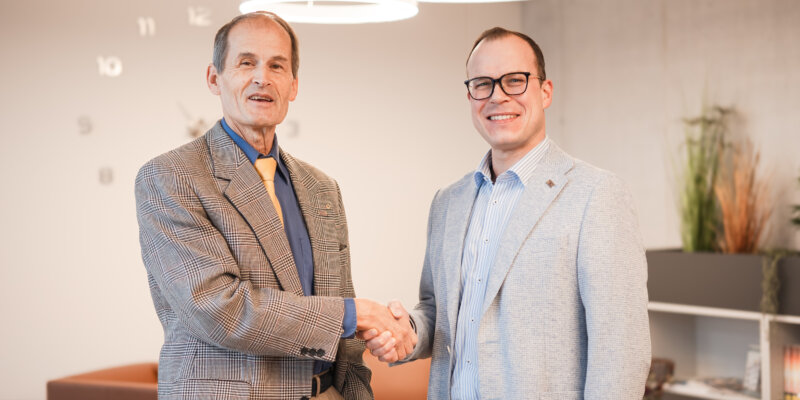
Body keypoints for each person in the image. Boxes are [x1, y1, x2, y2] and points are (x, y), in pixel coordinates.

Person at [135, 12, 414, 400]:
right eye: (246, 62)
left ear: (293, 85)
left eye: (277, 66)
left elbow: (343, 330)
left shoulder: (322, 189)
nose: (262, 78)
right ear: (214, 78)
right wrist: (356, 314)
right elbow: (218, 309)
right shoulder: (172, 176)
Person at [364, 27, 651, 399]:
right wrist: (408, 332)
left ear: (545, 91)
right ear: (470, 96)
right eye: (482, 84)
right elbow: (438, 310)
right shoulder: (447, 203)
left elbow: (621, 351)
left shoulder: (596, 195)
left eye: (515, 80)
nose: (497, 96)